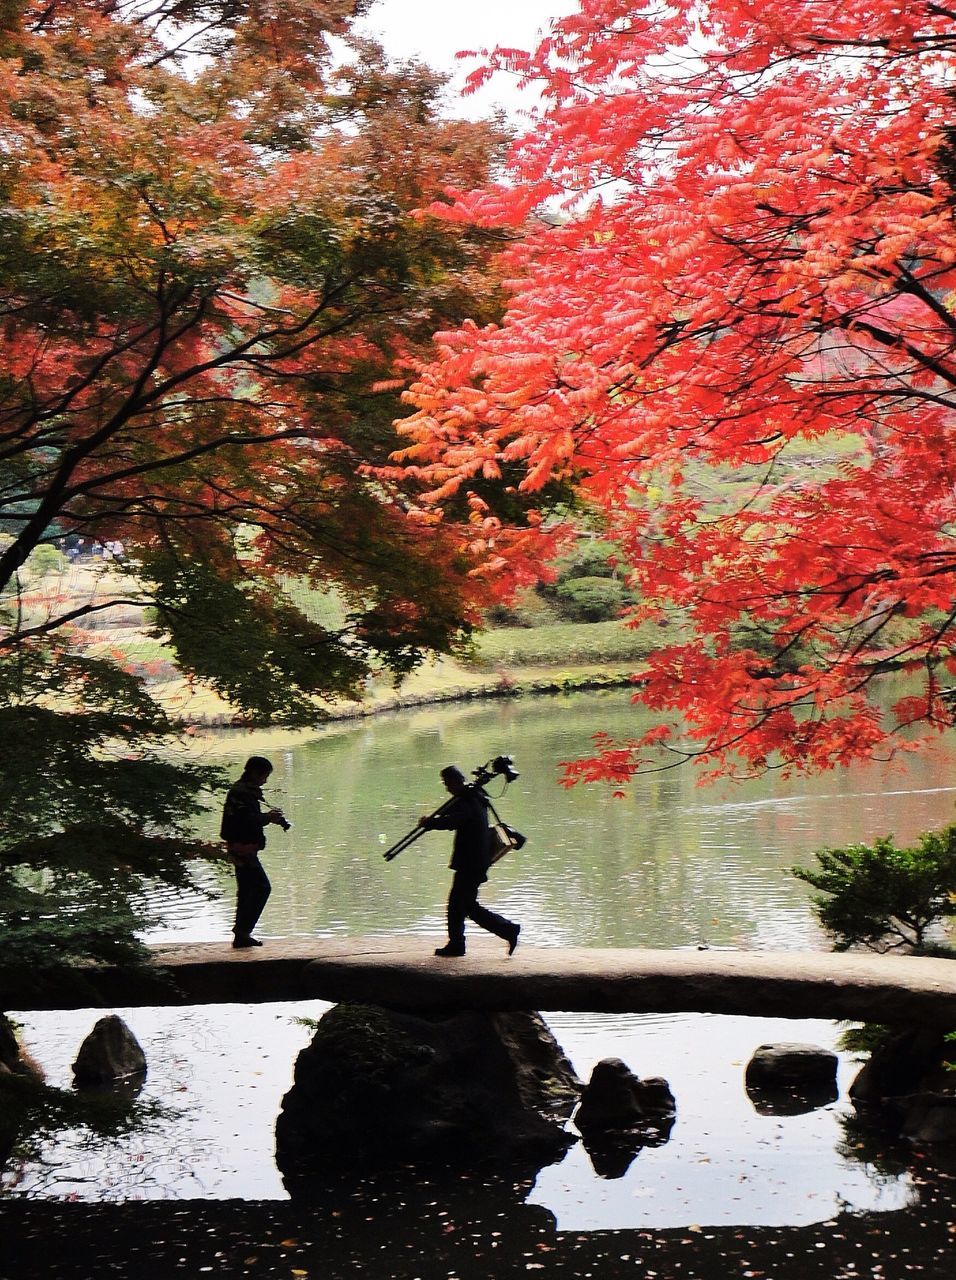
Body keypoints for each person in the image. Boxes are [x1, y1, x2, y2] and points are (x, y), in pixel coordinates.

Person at [419, 764, 521, 958]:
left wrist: (430, 823)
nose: (446, 787)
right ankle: (504, 931)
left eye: (447, 783)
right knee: (465, 905)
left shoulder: (469, 800)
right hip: (474, 861)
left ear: (455, 781)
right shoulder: (473, 797)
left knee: (459, 905)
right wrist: (434, 820)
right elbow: (453, 815)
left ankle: (462, 943)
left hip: (471, 863)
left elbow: (453, 820)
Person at [220, 756, 288, 949]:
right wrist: (268, 818)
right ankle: (242, 931)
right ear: (254, 773)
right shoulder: (241, 793)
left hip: (244, 847)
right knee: (261, 888)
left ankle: (241, 935)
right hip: (242, 848)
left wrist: (267, 818)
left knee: (247, 890)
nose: (265, 781)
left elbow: (248, 818)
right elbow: (245, 820)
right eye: (264, 776)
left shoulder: (244, 791)